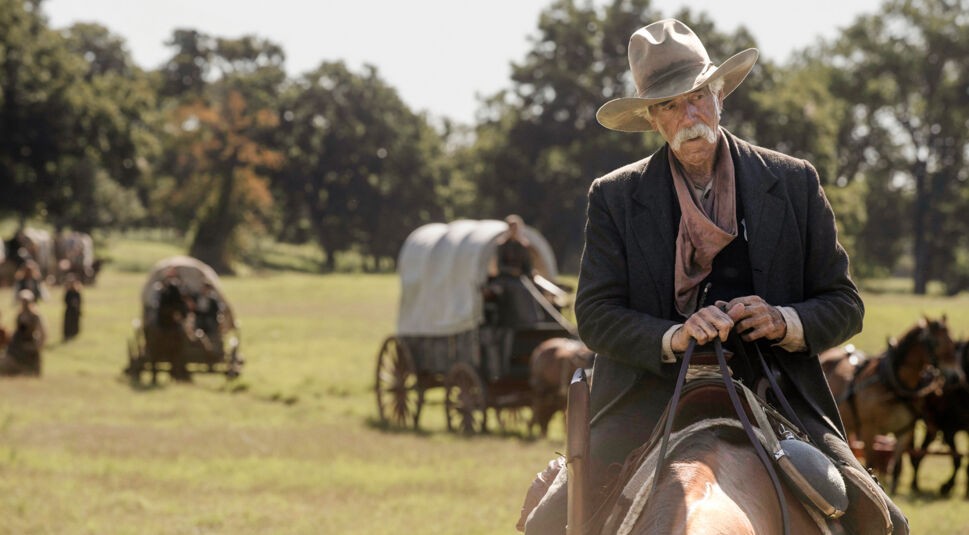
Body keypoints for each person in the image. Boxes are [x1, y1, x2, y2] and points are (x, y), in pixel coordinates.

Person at [522, 19, 907, 535]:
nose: (690, 114)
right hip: (648, 394)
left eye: (699, 95)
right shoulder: (614, 196)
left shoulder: (793, 182)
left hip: (776, 390)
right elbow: (594, 314)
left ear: (720, 93)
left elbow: (843, 302)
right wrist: (673, 335)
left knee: (884, 520)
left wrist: (783, 320)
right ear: (652, 119)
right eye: (670, 104)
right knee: (549, 523)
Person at [0, 290, 47, 376]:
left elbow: (43, 333)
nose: (24, 304)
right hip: (17, 347)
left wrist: (36, 346)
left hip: (29, 347)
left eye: (26, 301)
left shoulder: (35, 316)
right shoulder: (19, 315)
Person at [62, 276, 82, 341]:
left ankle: (74, 333)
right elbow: (65, 300)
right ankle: (67, 334)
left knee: (74, 323)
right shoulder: (68, 292)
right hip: (69, 310)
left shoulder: (77, 292)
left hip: (75, 310)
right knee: (68, 323)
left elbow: (80, 301)